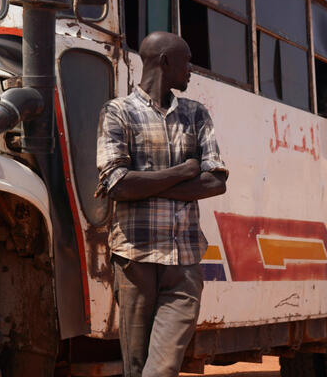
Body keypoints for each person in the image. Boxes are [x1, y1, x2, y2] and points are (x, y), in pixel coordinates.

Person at [96, 31, 228, 377]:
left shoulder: (196, 115)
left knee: (163, 367)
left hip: (183, 263)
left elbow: (216, 181)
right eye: (186, 61)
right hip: (135, 260)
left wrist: (149, 184)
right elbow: (117, 184)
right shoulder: (118, 113)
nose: (190, 69)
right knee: (136, 366)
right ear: (164, 62)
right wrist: (183, 171)